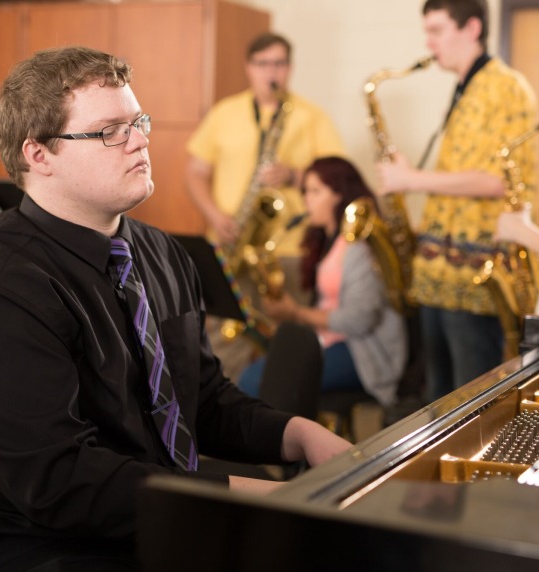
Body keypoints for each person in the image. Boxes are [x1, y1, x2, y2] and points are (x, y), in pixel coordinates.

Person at [0, 46, 351, 571]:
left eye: (138, 122)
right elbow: (56, 480)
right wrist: (236, 495)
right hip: (46, 542)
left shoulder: (164, 252)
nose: (141, 140)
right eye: (110, 131)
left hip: (158, 505)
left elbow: (203, 400)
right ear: (39, 155)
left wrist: (299, 434)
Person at [376, 0, 537, 402]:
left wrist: (412, 179)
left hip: (475, 274)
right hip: (438, 274)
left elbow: (502, 180)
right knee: (439, 402)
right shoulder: (465, 86)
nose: (428, 42)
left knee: (472, 407)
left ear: (471, 29)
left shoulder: (506, 86)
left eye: (436, 30)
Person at [185, 32, 347, 382]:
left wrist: (294, 174)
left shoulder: (311, 116)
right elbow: (195, 173)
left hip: (289, 251)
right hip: (230, 244)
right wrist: (215, 215)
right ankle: (226, 414)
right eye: (263, 64)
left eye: (279, 63)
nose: (271, 72)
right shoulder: (224, 113)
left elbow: (338, 180)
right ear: (249, 67)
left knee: (286, 341)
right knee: (222, 339)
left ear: (290, 68)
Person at [238, 157, 407, 409]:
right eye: (305, 191)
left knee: (258, 381)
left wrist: (295, 313)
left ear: (340, 195)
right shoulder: (325, 241)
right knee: (255, 377)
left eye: (315, 191)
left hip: (361, 352)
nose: (306, 199)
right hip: (327, 340)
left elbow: (358, 321)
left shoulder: (358, 247)